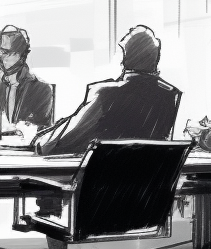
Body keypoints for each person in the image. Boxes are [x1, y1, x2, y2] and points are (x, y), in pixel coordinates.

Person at [32, 25, 182, 156]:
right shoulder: (170, 95)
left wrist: (41, 139)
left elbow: (53, 145)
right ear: (155, 58)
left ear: (125, 57)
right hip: (148, 186)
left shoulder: (105, 94)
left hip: (99, 185)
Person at [0, 25, 55, 132]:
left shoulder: (42, 89)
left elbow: (42, 132)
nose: (4, 58)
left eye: (11, 53)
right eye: (2, 51)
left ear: (23, 55)